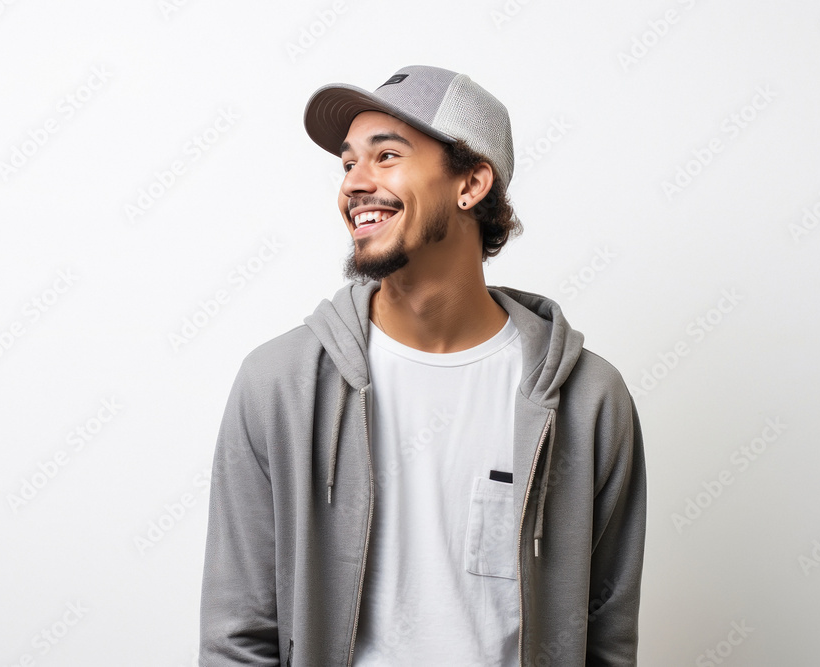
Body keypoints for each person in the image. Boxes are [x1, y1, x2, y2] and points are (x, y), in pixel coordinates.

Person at [199, 64, 646, 666]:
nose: (355, 183)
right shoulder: (279, 385)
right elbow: (237, 635)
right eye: (348, 162)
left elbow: (606, 634)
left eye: (386, 156)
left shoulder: (588, 399)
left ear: (471, 184)